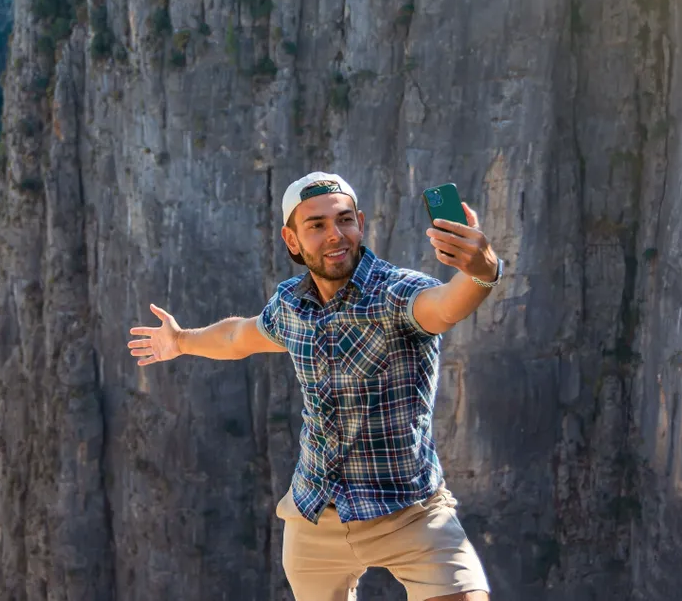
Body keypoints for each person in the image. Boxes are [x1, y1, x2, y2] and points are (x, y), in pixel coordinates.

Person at [128, 171, 503, 601]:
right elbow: (238, 337)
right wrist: (179, 341)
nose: (335, 235)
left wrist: (482, 270)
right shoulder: (291, 306)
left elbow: (445, 306)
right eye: (317, 225)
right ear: (292, 240)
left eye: (344, 220)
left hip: (410, 513)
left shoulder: (397, 294)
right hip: (314, 518)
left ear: (360, 222)